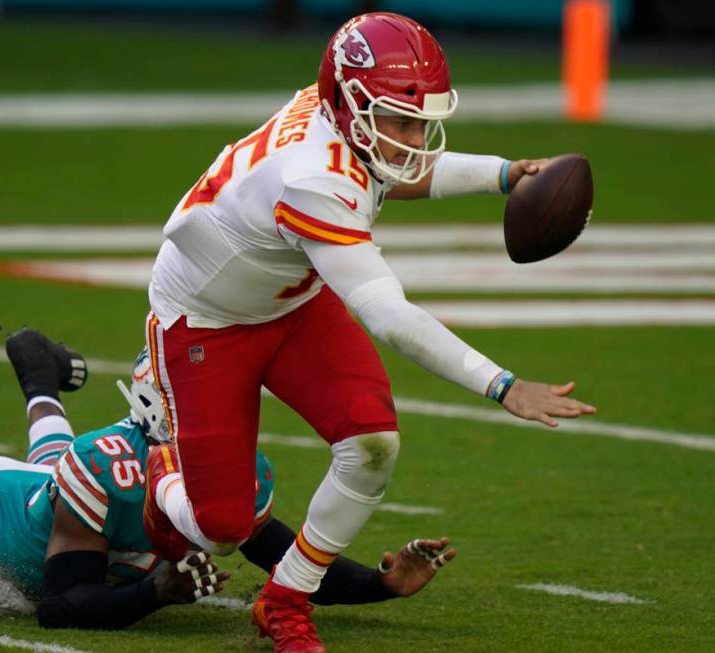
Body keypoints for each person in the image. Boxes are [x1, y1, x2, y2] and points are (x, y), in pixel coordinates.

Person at [140, 11, 598, 653]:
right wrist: (503, 386)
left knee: (372, 441)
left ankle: (285, 599)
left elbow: (394, 165)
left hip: (289, 299)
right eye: (401, 119)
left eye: (420, 119)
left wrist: (502, 174)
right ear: (351, 104)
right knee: (220, 526)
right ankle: (161, 472)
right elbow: (388, 315)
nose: (415, 136)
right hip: (206, 321)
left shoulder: (338, 119)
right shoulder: (313, 178)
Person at [0, 212, 458, 630]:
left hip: (70, 491)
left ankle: (39, 376)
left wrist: (380, 585)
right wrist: (154, 591)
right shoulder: (108, 463)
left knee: (74, 479)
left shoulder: (224, 467)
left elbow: (283, 555)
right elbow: (60, 602)